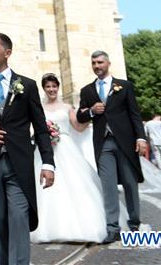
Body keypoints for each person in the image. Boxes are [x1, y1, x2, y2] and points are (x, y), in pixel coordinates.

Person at [0, 32, 54, 265]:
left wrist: (48, 163)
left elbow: (40, 127)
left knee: (19, 218)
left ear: (7, 52)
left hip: (19, 164)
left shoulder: (27, 85)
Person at [76, 50, 146, 244]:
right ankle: (113, 228)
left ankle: (134, 223)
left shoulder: (124, 86)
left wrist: (141, 138)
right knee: (108, 186)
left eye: (100, 62)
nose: (96, 66)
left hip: (125, 142)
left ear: (108, 63)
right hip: (103, 143)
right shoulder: (87, 90)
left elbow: (134, 114)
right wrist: (91, 111)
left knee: (130, 183)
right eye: (94, 63)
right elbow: (80, 116)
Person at [30, 73, 108, 244]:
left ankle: (82, 226)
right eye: (48, 86)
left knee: (75, 182)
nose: (51, 89)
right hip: (45, 150)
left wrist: (90, 114)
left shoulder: (67, 107)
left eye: (54, 86)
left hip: (66, 147)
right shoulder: (38, 107)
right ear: (44, 89)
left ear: (58, 87)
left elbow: (78, 127)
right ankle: (45, 227)